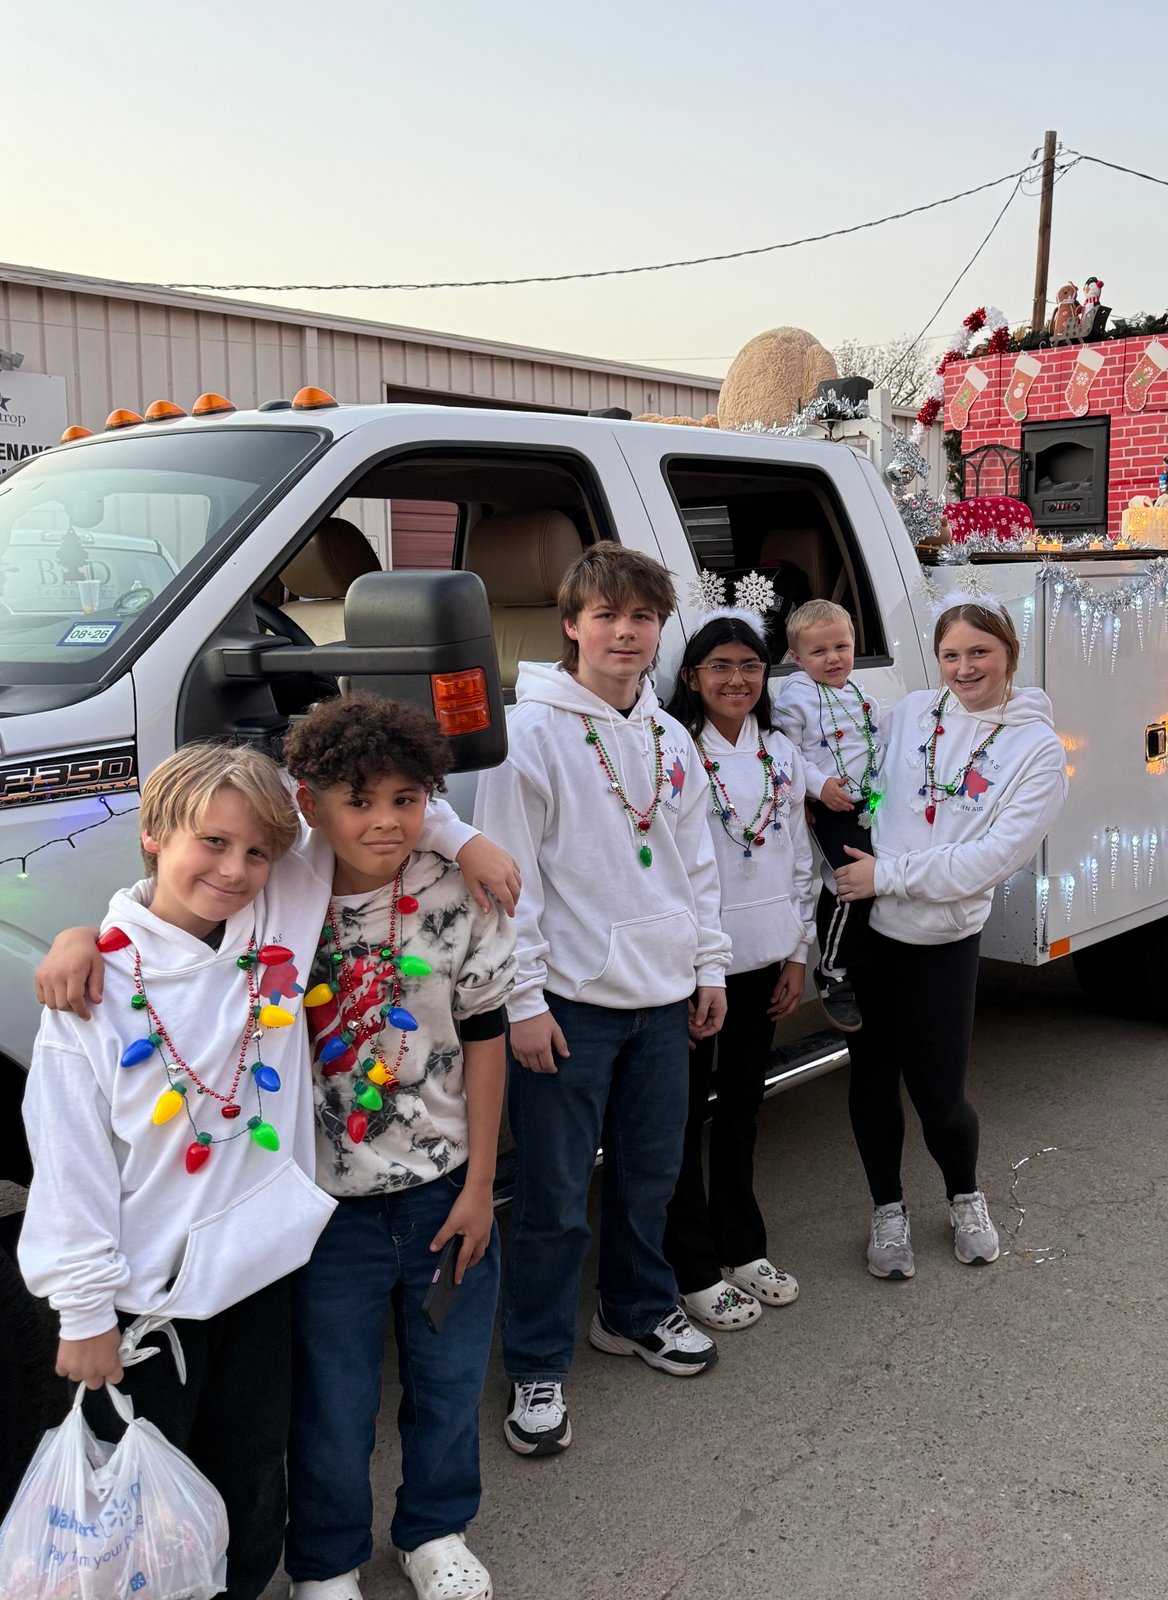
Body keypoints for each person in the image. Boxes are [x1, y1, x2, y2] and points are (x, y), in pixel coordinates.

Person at [29, 745, 520, 1600]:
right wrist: (83, 1310)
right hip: (151, 1297)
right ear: (151, 836)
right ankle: (264, 1573)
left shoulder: (272, 918)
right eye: (211, 845)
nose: (235, 869)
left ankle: (288, 1567)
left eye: (256, 851)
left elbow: (368, 806)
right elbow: (68, 1166)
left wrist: (461, 832)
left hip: (260, 1270)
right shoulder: (96, 991)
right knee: (147, 1504)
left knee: (255, 1466)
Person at [474, 543, 732, 1462]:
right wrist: (525, 1001)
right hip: (571, 1007)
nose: (626, 633)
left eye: (644, 619)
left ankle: (632, 1312)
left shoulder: (668, 738)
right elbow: (512, 884)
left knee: (650, 1178)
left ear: (660, 632)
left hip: (664, 1000)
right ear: (572, 625)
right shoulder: (528, 736)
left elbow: (698, 862)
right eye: (608, 617)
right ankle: (536, 1364)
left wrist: (708, 968)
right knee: (551, 1200)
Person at [279, 694, 515, 1600]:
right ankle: (327, 1558)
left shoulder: (458, 890)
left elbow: (486, 1032)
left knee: (447, 1378)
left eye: (407, 800)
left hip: (441, 1191)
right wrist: (79, 935)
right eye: (359, 800)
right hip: (320, 1206)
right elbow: (174, 890)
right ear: (309, 801)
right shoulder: (277, 891)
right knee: (332, 1400)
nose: (385, 821)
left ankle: (434, 1531)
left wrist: (481, 1182)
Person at [832, 598, 1068, 1280]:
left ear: (1009, 654)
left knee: (939, 1092)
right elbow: (861, 775)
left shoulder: (1037, 751)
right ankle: (887, 1210)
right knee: (873, 1079)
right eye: (952, 655)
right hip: (874, 931)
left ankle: (965, 1196)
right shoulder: (909, 714)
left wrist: (888, 875)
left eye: (980, 652)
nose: (965, 668)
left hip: (943, 939)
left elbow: (990, 861)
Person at [661, 610, 814, 1329]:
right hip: (697, 967)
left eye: (750, 666)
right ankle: (689, 1263)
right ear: (692, 676)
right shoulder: (674, 750)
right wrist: (696, 966)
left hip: (764, 958)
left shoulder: (781, 751)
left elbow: (798, 856)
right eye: (719, 666)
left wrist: (798, 950)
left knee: (743, 1110)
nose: (736, 680)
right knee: (684, 1116)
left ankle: (742, 1243)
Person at [771, 599, 884, 1033]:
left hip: (866, 805)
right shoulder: (796, 700)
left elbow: (875, 749)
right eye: (818, 652)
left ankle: (864, 956)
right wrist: (817, 789)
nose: (833, 658)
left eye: (841, 646)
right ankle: (832, 970)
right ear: (796, 659)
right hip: (828, 805)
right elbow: (787, 753)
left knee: (874, 880)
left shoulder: (861, 695)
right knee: (848, 883)